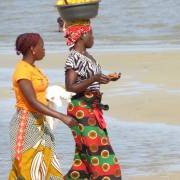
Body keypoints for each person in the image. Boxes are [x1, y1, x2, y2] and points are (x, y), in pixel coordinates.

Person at [9, 32, 78, 180]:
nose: (44, 49)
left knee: (49, 164)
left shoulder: (33, 68)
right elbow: (32, 101)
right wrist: (61, 116)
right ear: (32, 48)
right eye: (42, 46)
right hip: (26, 123)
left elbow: (40, 94)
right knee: (28, 167)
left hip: (40, 122)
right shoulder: (22, 70)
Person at [63, 20, 122, 180]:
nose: (93, 37)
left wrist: (103, 78)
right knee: (100, 153)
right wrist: (94, 78)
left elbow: (90, 81)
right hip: (81, 109)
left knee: (85, 157)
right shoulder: (73, 57)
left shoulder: (87, 56)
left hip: (92, 108)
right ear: (82, 35)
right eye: (91, 33)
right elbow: (70, 86)